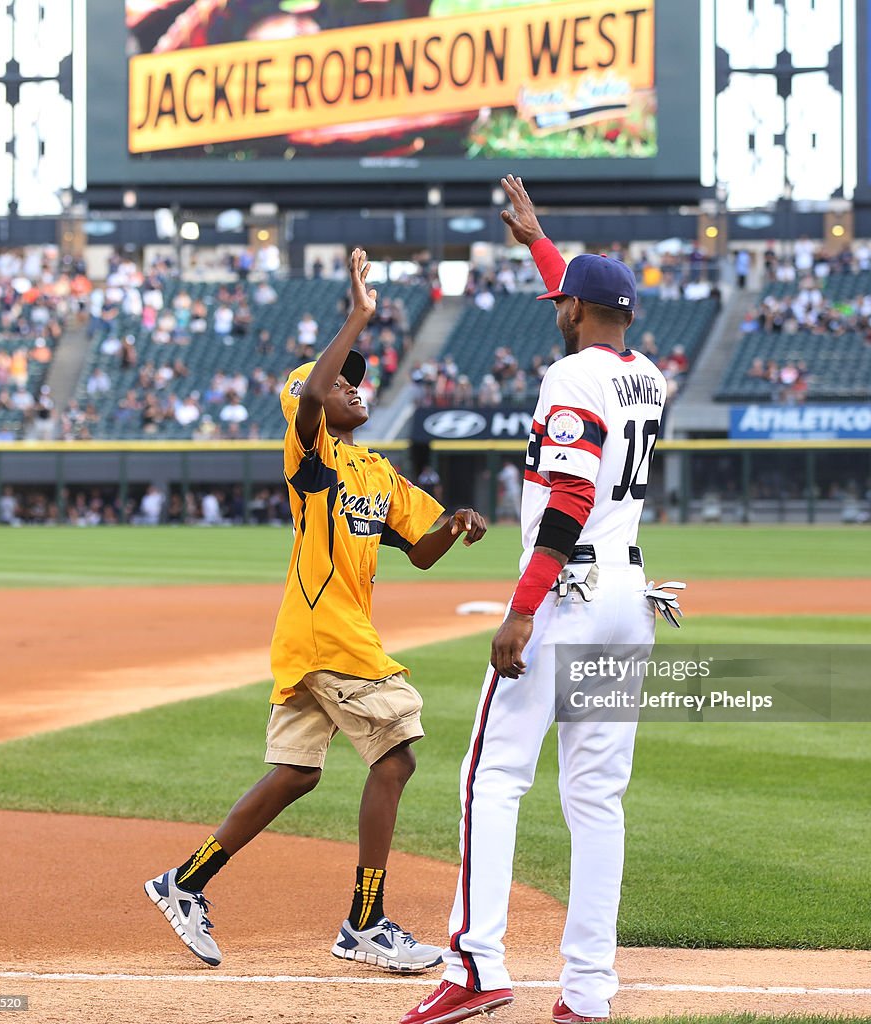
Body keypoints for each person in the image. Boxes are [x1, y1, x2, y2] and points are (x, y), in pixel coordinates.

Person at [145, 250, 488, 972]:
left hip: (327, 638)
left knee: (297, 773)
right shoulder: (313, 456)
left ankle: (185, 881)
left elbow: (418, 552)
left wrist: (453, 525)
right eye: (342, 384)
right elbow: (308, 402)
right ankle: (364, 923)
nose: (355, 391)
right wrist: (358, 315)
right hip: (326, 635)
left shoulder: (375, 471)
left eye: (358, 383)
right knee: (395, 756)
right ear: (316, 401)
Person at [404, 178, 676, 1024]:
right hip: (632, 594)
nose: (556, 306)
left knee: (492, 775)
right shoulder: (649, 376)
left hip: (568, 593)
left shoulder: (568, 374)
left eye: (563, 300)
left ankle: (477, 964)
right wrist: (540, 243)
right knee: (597, 798)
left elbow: (565, 499)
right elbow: (583, 303)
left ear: (575, 314)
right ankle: (588, 995)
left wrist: (522, 609)